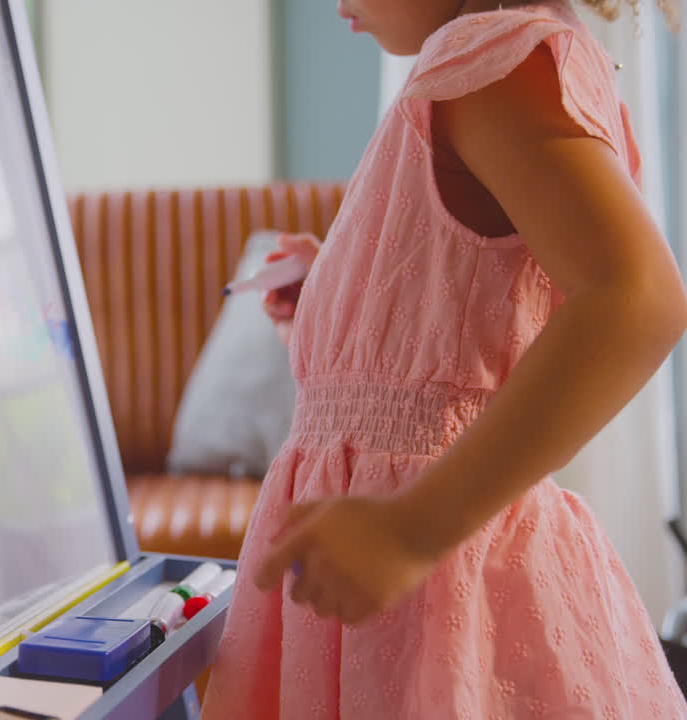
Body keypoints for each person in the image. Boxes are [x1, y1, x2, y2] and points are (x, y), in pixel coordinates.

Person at [201, 1, 687, 717]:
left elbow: (638, 296)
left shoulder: (487, 65)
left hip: (435, 595)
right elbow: (470, 301)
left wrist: (413, 528)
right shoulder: (483, 67)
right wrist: (337, 283)